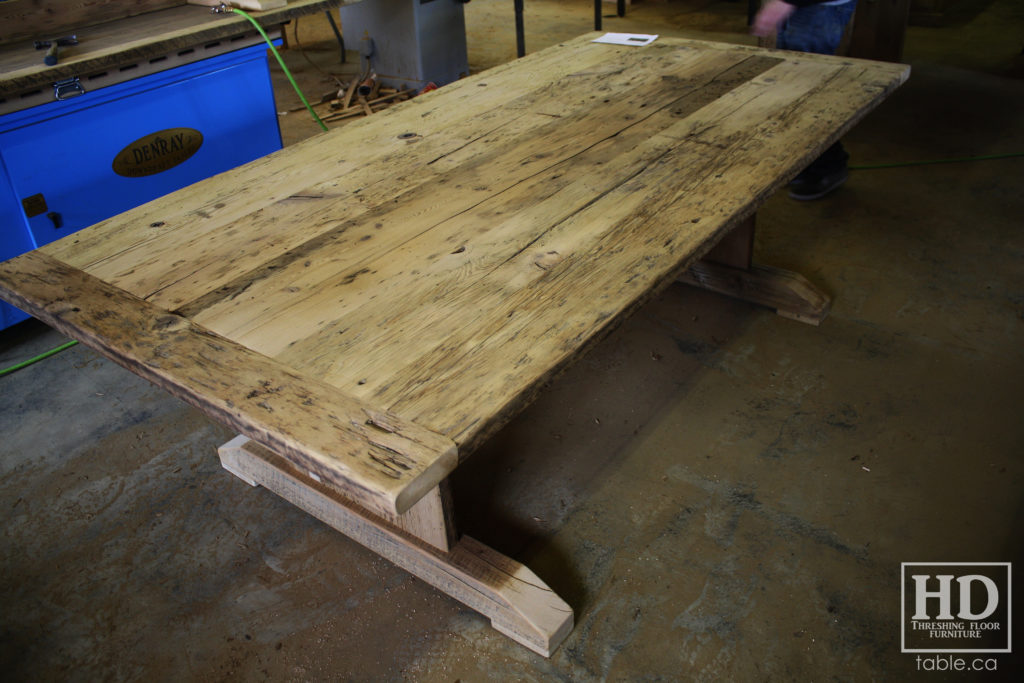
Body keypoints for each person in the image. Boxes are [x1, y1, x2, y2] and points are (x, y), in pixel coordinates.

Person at [752, 0, 859, 200]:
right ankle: (803, 165)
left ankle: (827, 167)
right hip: (801, 6)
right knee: (791, 90)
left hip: (818, 6)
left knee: (808, 94)